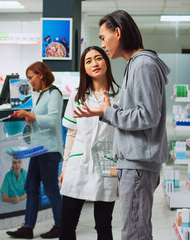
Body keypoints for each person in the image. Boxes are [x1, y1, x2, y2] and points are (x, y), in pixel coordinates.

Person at [73, 10, 171, 240]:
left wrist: (108, 112)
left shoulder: (143, 65)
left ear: (117, 33)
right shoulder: (136, 65)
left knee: (134, 233)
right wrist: (108, 111)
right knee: (135, 229)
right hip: (136, 163)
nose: (103, 44)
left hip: (138, 164)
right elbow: (138, 113)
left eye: (103, 37)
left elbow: (147, 117)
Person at [59, 46, 120, 240]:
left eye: (98, 58)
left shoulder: (120, 96)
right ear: (83, 68)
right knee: (67, 225)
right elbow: (71, 134)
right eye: (88, 61)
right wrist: (65, 167)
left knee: (103, 225)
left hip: (108, 163)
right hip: (78, 163)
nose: (94, 63)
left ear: (106, 62)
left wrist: (121, 172)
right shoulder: (77, 96)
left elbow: (123, 135)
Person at [6, 61, 63, 239]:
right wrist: (30, 119)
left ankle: (61, 226)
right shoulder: (39, 94)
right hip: (38, 148)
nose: (30, 82)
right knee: (30, 186)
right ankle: (28, 228)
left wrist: (30, 115)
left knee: (51, 189)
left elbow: (53, 120)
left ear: (41, 74)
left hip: (49, 149)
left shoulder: (55, 93)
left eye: (31, 78)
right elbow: (40, 118)